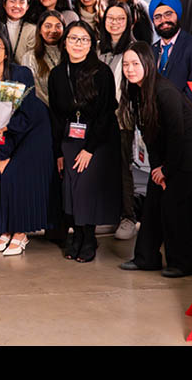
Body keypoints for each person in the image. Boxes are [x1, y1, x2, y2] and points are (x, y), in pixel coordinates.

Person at [118, 42, 192, 278]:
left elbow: (177, 135)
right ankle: (146, 258)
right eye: (126, 64)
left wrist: (167, 171)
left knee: (174, 205)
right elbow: (149, 135)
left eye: (135, 63)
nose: (130, 69)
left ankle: (184, 264)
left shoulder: (165, 91)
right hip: (169, 153)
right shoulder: (136, 90)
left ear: (148, 64)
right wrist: (157, 169)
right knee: (153, 201)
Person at [0, 31, 54, 256]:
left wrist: (7, 155)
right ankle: (5, 231)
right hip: (1, 135)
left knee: (12, 173)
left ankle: (21, 233)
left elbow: (24, 114)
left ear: (6, 52)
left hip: (32, 132)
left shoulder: (21, 73)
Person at [48, 21, 122, 262]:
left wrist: (89, 149)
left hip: (98, 139)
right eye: (73, 38)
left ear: (91, 44)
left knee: (85, 185)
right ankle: (77, 234)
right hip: (69, 136)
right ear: (65, 42)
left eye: (84, 39)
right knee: (70, 187)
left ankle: (89, 237)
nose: (78, 44)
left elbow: (105, 114)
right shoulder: (58, 74)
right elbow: (56, 116)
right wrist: (59, 150)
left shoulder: (102, 72)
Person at [148, 0, 192, 240]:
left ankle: (183, 241)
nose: (163, 20)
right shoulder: (152, 51)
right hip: (161, 129)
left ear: (178, 15)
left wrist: (169, 112)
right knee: (162, 188)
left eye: (168, 14)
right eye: (157, 16)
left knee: (182, 191)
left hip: (189, 129)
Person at [97, 2, 139, 240]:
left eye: (120, 18)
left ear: (129, 22)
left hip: (122, 118)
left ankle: (128, 217)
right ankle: (109, 215)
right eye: (110, 18)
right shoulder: (98, 48)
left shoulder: (133, 49)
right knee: (103, 167)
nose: (114, 22)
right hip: (99, 118)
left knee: (123, 168)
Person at [21, 9, 65, 106]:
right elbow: (35, 91)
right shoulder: (30, 57)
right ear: (40, 30)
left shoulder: (70, 54)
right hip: (43, 111)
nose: (53, 30)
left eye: (58, 26)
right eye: (48, 26)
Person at [1, 0, 36, 66]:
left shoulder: (32, 30)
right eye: (12, 1)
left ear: (27, 7)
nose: (17, 6)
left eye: (22, 2)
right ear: (4, 4)